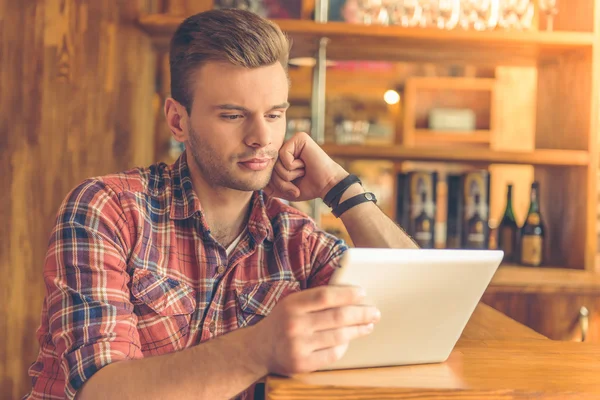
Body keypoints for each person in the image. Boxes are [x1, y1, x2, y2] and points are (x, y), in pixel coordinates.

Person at [25, 9, 417, 400]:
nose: (262, 137)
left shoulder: (298, 242)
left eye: (275, 114)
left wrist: (340, 187)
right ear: (178, 121)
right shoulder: (108, 210)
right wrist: (258, 348)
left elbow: (417, 304)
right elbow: (100, 392)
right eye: (233, 115)